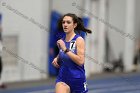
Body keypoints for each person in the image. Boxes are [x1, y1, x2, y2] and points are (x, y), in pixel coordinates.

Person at [52, 13, 92, 93]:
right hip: (62, 78)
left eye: (68, 22)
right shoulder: (62, 41)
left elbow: (80, 61)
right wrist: (57, 58)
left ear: (74, 25)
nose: (65, 25)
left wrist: (65, 49)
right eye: (63, 22)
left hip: (77, 79)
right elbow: (63, 54)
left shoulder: (79, 40)